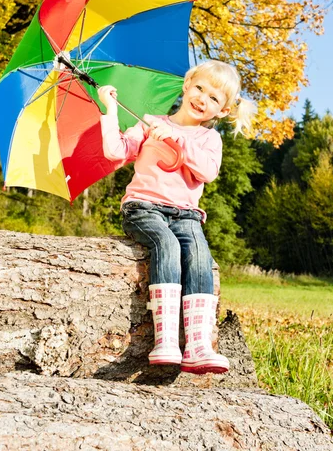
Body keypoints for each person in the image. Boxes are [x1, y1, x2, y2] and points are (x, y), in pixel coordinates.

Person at [98, 60, 255, 374]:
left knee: (198, 254)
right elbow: (115, 152)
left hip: (186, 215)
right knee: (166, 246)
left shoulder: (209, 140)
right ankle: (166, 339)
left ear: (222, 111)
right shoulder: (149, 124)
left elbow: (207, 171)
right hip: (143, 208)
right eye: (200, 88)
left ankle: (197, 344)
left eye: (214, 98)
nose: (202, 99)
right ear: (187, 84)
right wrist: (110, 109)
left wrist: (175, 138)